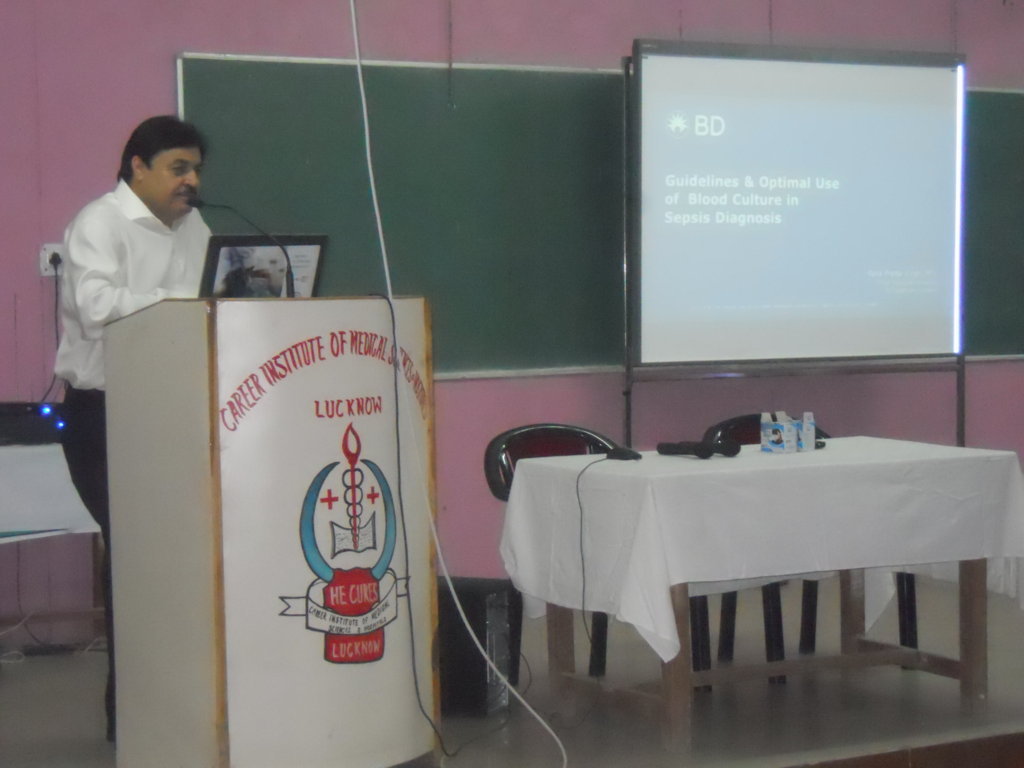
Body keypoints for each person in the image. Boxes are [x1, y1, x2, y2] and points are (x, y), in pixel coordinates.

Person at [54, 115, 211, 742]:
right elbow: (96, 308)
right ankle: (133, 716)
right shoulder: (100, 223)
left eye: (196, 169)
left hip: (178, 408)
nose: (191, 181)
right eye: (178, 168)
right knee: (137, 558)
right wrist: (181, 308)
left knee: (179, 559)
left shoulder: (194, 226)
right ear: (138, 166)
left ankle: (182, 705)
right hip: (105, 415)